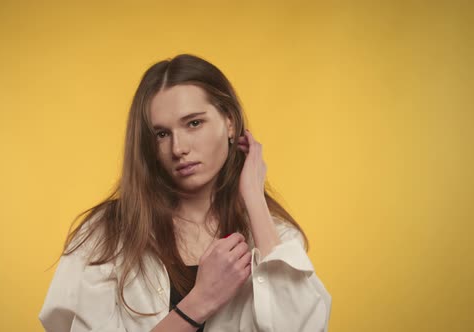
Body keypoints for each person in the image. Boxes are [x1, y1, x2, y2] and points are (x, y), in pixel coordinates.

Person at [39, 54, 332, 331]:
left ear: (229, 122)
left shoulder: (274, 234)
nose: (178, 148)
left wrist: (254, 198)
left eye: (194, 123)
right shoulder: (105, 236)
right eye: (162, 134)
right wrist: (198, 303)